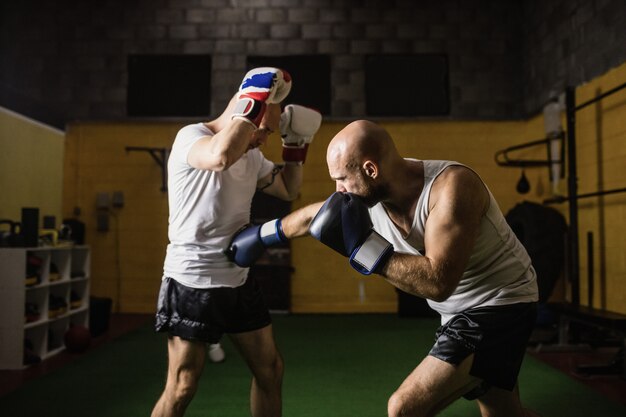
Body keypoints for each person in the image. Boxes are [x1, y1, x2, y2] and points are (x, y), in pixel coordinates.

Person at [227, 120, 541, 417]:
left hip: (501, 305)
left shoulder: (451, 189)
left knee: (404, 408)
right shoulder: (367, 197)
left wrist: (363, 250)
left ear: (371, 169)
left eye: (342, 179)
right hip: (461, 312)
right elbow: (312, 216)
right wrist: (261, 236)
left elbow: (437, 283)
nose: (339, 190)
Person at [151, 67, 322, 417]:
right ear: (242, 112)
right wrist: (253, 101)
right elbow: (218, 157)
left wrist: (295, 146)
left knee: (270, 370)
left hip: (238, 280)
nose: (263, 140)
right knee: (182, 386)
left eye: (271, 134)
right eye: (262, 131)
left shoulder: (252, 156)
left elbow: (289, 189)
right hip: (191, 282)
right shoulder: (192, 138)